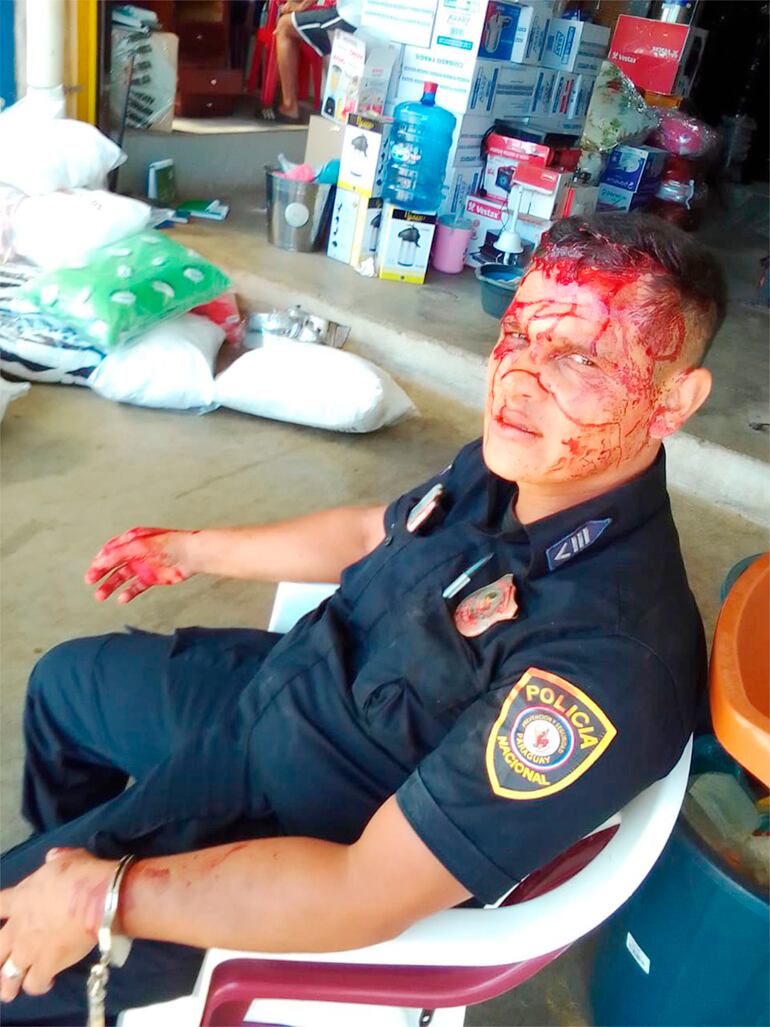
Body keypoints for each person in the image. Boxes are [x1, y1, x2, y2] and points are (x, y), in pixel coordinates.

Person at [0, 214, 726, 1024]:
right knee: (64, 684)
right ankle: (66, 876)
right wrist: (195, 548)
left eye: (581, 358)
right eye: (518, 334)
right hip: (279, 686)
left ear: (673, 401)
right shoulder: (522, 464)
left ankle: (68, 921)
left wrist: (107, 896)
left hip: (290, 829)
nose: (518, 379)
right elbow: (371, 534)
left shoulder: (606, 662)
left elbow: (364, 890)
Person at [273, 1, 362, 122]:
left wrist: (301, 6)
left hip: (347, 14)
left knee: (285, 25)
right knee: (300, 24)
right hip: (364, 15)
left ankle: (289, 107)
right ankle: (333, 110)